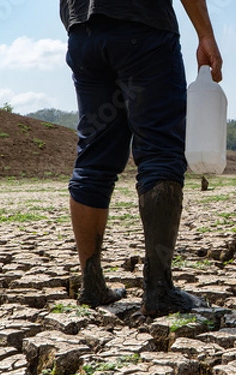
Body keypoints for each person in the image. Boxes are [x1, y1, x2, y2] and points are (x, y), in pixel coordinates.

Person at [60, 0, 223, 317]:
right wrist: (205, 34)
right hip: (143, 27)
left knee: (94, 160)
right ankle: (158, 290)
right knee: (161, 153)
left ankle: (92, 286)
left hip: (83, 34)